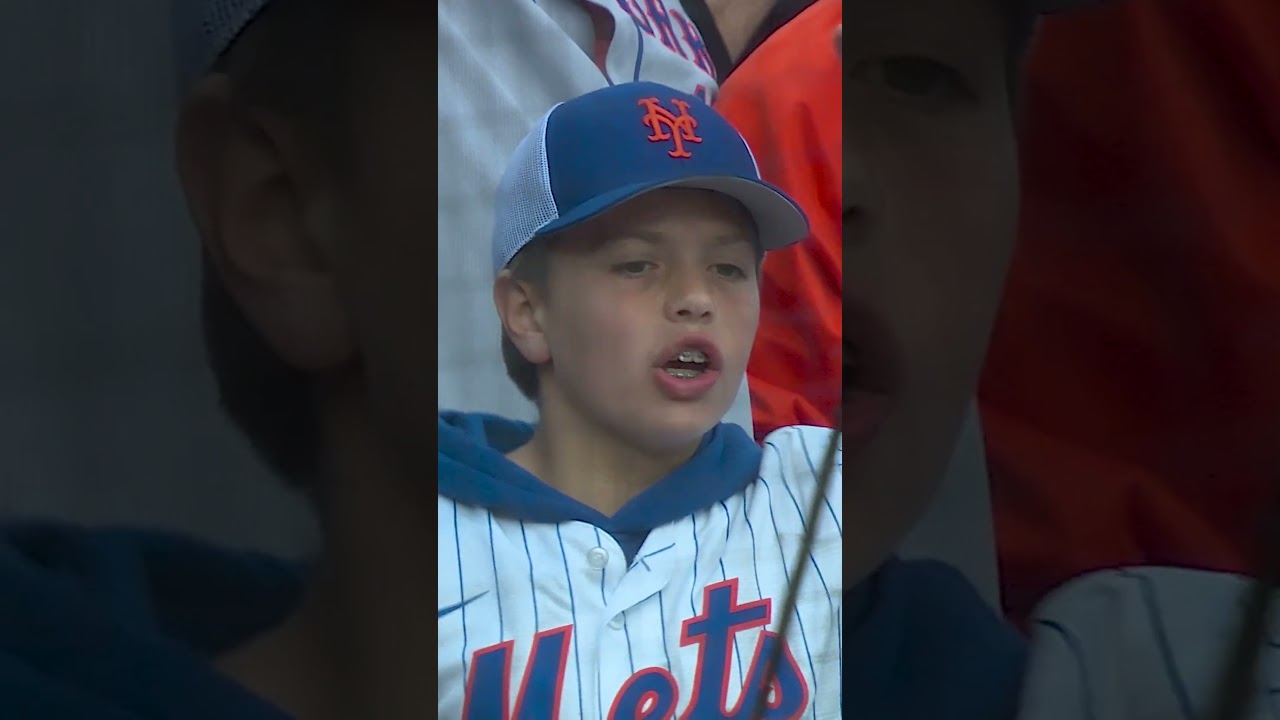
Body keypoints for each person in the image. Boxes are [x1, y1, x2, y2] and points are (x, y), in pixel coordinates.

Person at [438, 79, 837, 719]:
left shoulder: (820, 491)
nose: (695, 298)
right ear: (528, 311)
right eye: (636, 265)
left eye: (728, 268)